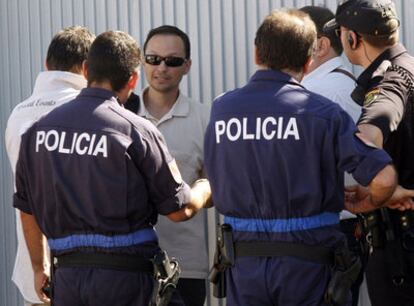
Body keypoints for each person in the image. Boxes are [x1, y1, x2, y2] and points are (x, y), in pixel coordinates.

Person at [204, 9, 413, 306]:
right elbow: (383, 177)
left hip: (243, 265)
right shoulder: (321, 113)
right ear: (308, 60)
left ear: (255, 53)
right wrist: (372, 200)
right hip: (308, 266)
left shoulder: (221, 109)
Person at [12, 30, 212, 306]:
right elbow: (180, 210)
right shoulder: (136, 130)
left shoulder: (36, 132)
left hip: (68, 278)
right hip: (125, 280)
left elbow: (27, 208)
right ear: (132, 78)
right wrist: (204, 187)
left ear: (85, 70)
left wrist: (38, 267)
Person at [325, 0, 414, 305]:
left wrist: (378, 193)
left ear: (352, 38)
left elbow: (367, 134)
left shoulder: (388, 80)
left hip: (400, 249)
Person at [5, 26, 95, 306]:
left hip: (34, 270)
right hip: (82, 270)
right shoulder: (88, 111)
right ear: (87, 68)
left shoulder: (17, 113)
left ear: (46, 65)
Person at [125, 25, 210, 306]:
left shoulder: (204, 118)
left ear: (187, 66)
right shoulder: (120, 115)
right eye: (153, 59)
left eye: (172, 61)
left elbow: (216, 189)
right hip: (126, 264)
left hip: (185, 265)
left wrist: (194, 196)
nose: (161, 67)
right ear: (141, 61)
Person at [299, 6, 364, 306]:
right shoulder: (344, 85)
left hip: (327, 230)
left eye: (295, 38)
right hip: (346, 228)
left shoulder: (318, 93)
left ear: (321, 45)